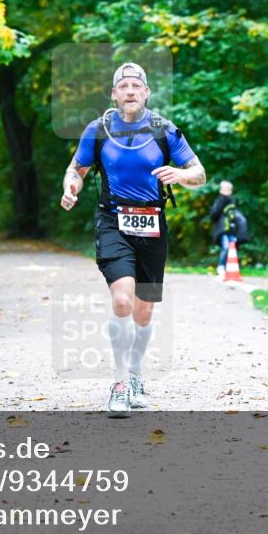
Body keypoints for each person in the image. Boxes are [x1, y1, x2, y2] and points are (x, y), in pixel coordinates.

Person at [60, 63, 206, 416]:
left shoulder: (164, 131)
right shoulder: (98, 131)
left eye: (135, 86)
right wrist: (71, 186)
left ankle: (137, 375)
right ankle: (120, 383)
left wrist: (182, 174)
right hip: (113, 221)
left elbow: (200, 173)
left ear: (146, 93)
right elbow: (76, 169)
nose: (129, 90)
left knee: (143, 310)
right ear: (113, 94)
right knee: (122, 300)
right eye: (122, 85)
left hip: (153, 225)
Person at [209, 181, 237, 276]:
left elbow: (233, 215)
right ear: (221, 189)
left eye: (228, 189)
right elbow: (213, 215)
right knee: (225, 247)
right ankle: (220, 267)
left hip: (231, 229)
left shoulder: (232, 201)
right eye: (225, 188)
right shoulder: (219, 200)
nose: (227, 191)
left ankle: (228, 268)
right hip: (222, 229)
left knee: (231, 248)